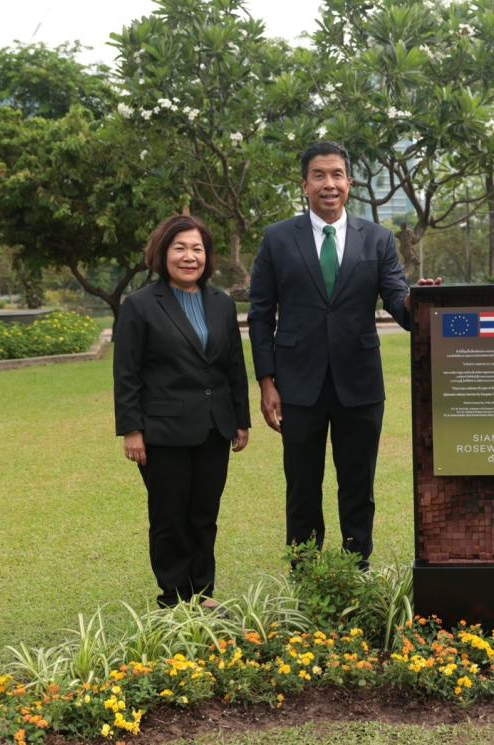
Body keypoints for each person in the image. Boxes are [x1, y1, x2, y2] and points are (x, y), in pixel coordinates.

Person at [248, 141, 411, 568]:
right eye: (319, 175)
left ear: (350, 183)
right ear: (305, 185)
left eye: (337, 174)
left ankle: (357, 569)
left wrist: (421, 302)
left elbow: (400, 302)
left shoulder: (378, 239)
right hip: (297, 385)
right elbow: (261, 315)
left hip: (360, 385)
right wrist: (267, 382)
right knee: (302, 485)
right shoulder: (278, 239)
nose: (329, 183)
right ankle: (306, 575)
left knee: (358, 484)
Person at [114, 214, 251, 607]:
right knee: (169, 517)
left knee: (204, 514)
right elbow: (127, 372)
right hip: (162, 432)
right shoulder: (140, 306)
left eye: (197, 249)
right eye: (180, 248)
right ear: (163, 253)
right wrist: (132, 429)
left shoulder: (221, 303)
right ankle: (173, 596)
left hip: (214, 428)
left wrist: (240, 419)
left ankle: (202, 591)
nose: (190, 256)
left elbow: (233, 367)